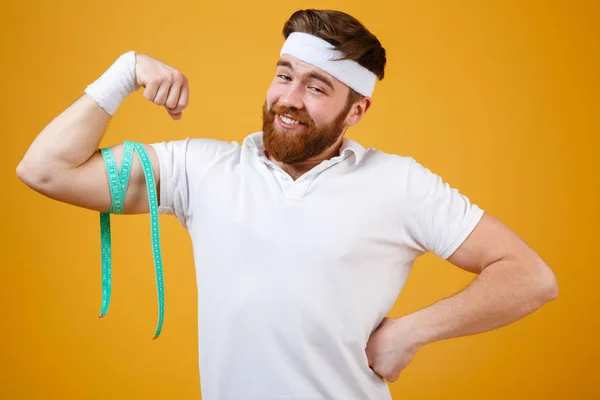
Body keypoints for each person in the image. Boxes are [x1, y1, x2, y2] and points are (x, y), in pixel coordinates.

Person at [17, 8, 558, 400]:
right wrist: (124, 72)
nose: (289, 99)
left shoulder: (400, 184)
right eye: (285, 76)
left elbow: (530, 276)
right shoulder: (200, 170)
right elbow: (45, 169)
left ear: (356, 109)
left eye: (318, 88)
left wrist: (410, 332)